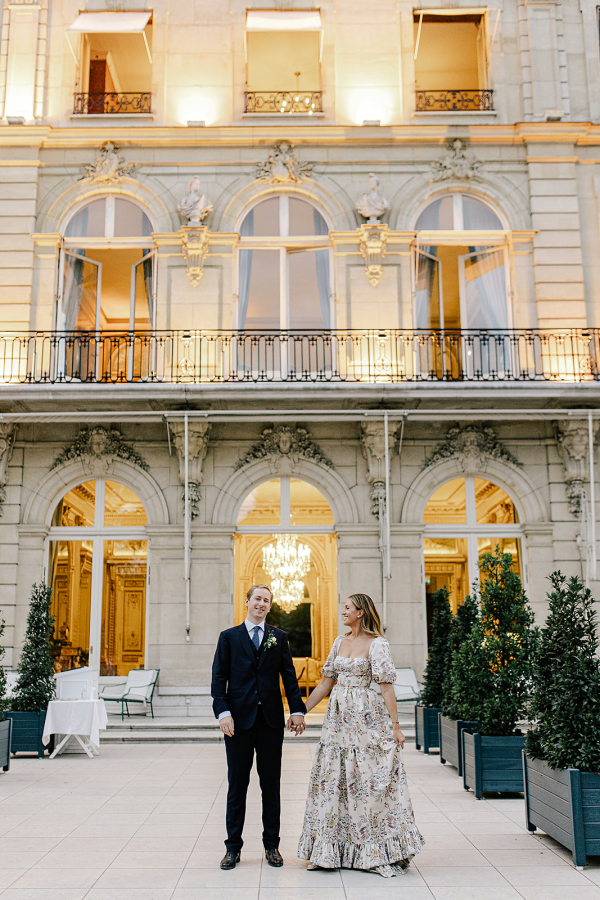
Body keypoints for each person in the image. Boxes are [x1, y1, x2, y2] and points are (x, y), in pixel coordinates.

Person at [298, 593, 424, 877]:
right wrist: (301, 710)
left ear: (361, 613)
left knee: (366, 782)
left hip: (366, 720)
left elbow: (387, 685)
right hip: (337, 722)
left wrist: (396, 725)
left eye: (348, 608)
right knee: (334, 780)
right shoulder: (339, 642)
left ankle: (374, 849)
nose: (343, 612)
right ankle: (327, 851)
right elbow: (327, 682)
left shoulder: (378, 644)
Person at [211, 584, 307, 870]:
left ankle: (272, 846)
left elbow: (289, 677)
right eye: (257, 599)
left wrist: (298, 710)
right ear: (247, 601)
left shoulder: (279, 637)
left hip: (270, 724)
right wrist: (223, 713)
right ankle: (232, 848)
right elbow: (219, 679)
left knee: (271, 787)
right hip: (237, 724)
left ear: (269, 605)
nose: (261, 604)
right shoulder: (228, 637)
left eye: (266, 600)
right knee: (237, 787)